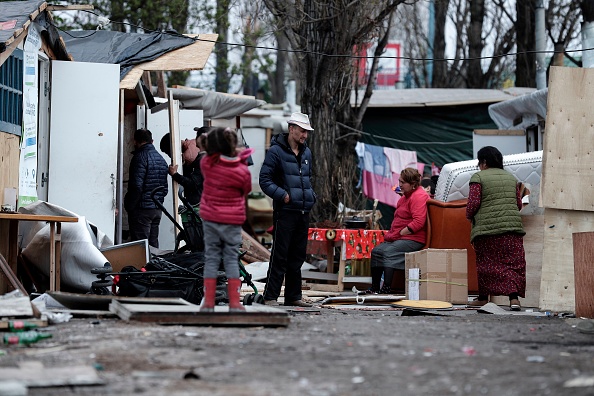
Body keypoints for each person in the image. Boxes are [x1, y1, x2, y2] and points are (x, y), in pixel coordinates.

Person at [259, 112, 316, 307]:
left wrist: (311, 196)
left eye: (307, 132)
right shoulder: (275, 152)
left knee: (298, 256)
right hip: (285, 211)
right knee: (280, 255)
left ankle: (293, 297)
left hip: (303, 211)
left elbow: (309, 179)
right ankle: (270, 297)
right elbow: (264, 180)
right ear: (291, 129)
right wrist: (283, 195)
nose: (305, 135)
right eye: (302, 131)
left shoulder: (307, 153)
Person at [199, 127, 254, 312]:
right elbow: (246, 190)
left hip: (211, 218)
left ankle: (208, 303)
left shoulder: (207, 164)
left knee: (212, 258)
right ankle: (235, 304)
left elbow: (206, 151)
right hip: (232, 220)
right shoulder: (242, 169)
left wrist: (207, 140)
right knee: (231, 259)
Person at [466, 146, 526, 311]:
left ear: (484, 162)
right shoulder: (511, 178)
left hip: (487, 231)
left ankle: (483, 298)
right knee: (512, 264)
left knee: (486, 264)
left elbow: (473, 203)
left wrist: (469, 216)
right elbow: (518, 204)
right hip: (512, 230)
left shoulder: (478, 177)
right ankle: (514, 300)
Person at [367, 168, 429, 294]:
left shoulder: (418, 196)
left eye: (403, 182)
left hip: (413, 238)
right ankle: (374, 288)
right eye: (399, 181)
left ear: (413, 184)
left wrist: (401, 233)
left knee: (389, 252)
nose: (400, 185)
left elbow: (418, 222)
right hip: (400, 237)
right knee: (376, 251)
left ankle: (387, 288)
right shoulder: (405, 197)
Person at [124, 128, 169, 248]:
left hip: (142, 209)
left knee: (140, 247)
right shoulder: (161, 159)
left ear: (135, 142)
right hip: (156, 209)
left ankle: (143, 267)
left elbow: (136, 186)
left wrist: (130, 206)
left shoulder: (139, 158)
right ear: (152, 141)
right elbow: (165, 188)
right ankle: (154, 267)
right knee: (153, 245)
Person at [168, 128, 210, 206]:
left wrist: (174, 174)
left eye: (197, 136)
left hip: (199, 204)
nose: (194, 139)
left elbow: (192, 184)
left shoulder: (203, 159)